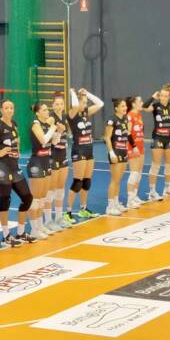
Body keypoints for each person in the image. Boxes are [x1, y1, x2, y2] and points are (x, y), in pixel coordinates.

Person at [0, 99, 36, 244]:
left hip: (14, 166)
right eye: (6, 108)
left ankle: (21, 233)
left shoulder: (14, 123)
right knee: (5, 200)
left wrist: (18, 149)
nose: (9, 110)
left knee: (27, 197)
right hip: (1, 167)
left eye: (11, 108)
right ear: (1, 110)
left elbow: (17, 138)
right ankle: (6, 236)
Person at [65, 87, 104, 222]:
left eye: (86, 103)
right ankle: (68, 212)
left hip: (89, 150)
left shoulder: (86, 113)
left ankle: (83, 209)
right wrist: (72, 93)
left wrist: (87, 94)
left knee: (86, 182)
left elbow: (100, 103)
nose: (85, 105)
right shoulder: (72, 114)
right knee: (77, 182)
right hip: (79, 150)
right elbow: (75, 106)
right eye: (84, 102)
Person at [144, 83, 170, 200]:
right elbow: (144, 107)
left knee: (169, 166)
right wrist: (153, 97)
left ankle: (167, 189)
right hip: (158, 138)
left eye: (165, 96)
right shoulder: (155, 106)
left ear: (169, 97)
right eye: (161, 95)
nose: (163, 97)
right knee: (156, 165)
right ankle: (152, 191)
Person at [28, 102, 62, 239]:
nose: (47, 112)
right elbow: (43, 140)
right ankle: (34, 229)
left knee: (43, 197)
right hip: (36, 162)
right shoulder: (35, 124)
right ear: (37, 113)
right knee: (35, 199)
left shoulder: (47, 126)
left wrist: (58, 131)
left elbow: (53, 142)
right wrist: (53, 128)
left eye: (47, 109)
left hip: (46, 161)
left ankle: (40, 225)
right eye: (43, 110)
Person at [103, 98, 132, 215]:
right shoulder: (112, 120)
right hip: (115, 151)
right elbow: (107, 137)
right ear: (116, 108)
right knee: (114, 180)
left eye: (125, 106)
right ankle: (110, 207)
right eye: (122, 106)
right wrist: (111, 153)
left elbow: (126, 135)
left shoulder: (125, 119)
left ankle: (116, 203)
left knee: (118, 180)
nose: (125, 108)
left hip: (123, 151)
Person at [50, 92, 72, 229]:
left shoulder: (64, 117)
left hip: (63, 155)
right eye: (57, 104)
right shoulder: (51, 119)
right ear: (53, 105)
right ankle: (48, 220)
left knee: (60, 188)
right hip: (52, 155)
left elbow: (66, 135)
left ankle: (59, 218)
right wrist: (58, 132)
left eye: (61, 104)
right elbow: (48, 139)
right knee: (51, 189)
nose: (59, 106)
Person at [125, 95, 147, 208]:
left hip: (140, 146)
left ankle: (134, 195)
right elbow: (128, 133)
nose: (142, 103)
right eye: (140, 101)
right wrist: (134, 146)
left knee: (139, 173)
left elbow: (140, 130)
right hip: (132, 147)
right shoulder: (130, 116)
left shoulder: (138, 114)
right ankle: (129, 200)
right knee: (134, 173)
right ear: (134, 104)